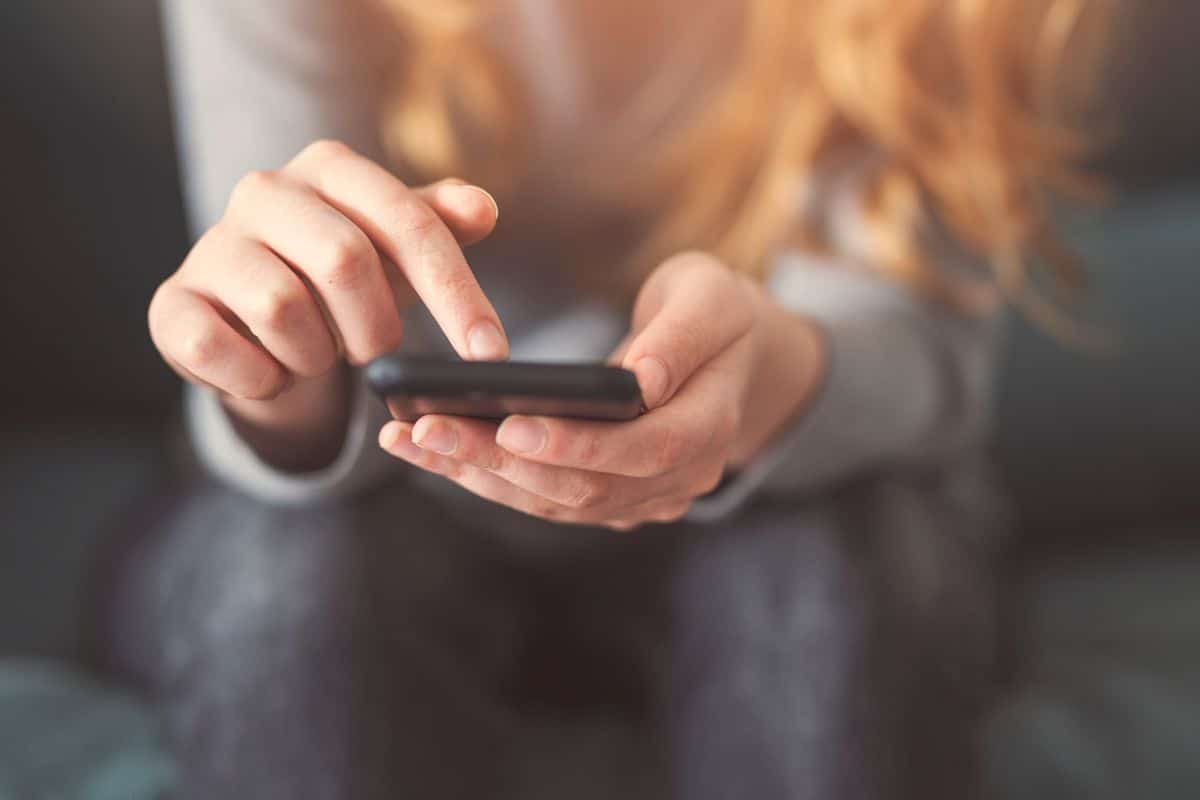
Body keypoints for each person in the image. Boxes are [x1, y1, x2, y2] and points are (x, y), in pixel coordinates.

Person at [102, 0, 1112, 797]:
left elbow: (920, 349)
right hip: (383, 488)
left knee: (822, 586)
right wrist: (280, 372)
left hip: (792, 473)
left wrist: (771, 381)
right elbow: (288, 332)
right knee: (292, 596)